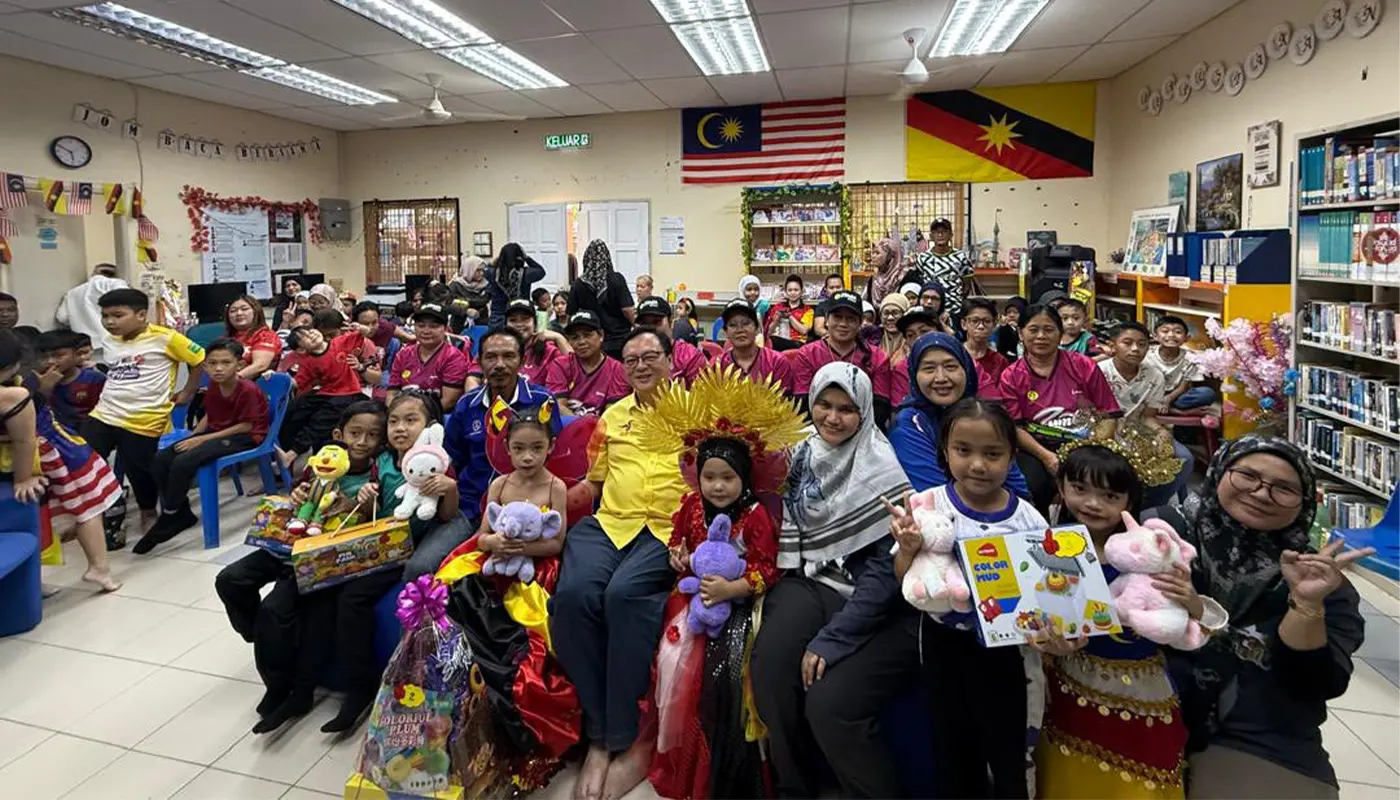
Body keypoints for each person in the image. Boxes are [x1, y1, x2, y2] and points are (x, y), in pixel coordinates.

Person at [1163, 437, 1371, 799]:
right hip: (1151, 713)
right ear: (1219, 473)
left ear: (1304, 503)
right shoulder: (1166, 544)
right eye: (1247, 476)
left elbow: (1316, 684)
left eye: (1284, 489)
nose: (1261, 494)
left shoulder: (1322, 583)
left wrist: (1306, 605)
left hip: (1259, 736)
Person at [750, 363, 917, 798]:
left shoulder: (881, 467)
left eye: (847, 408)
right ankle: (795, 787)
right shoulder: (798, 453)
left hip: (864, 595)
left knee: (826, 695)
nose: (832, 417)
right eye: (824, 404)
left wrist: (835, 638)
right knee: (770, 670)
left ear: (864, 412)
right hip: (806, 578)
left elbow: (884, 573)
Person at [641, 368, 803, 800]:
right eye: (709, 476)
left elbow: (769, 569)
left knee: (728, 675)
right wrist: (677, 555)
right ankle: (680, 758)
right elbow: (679, 540)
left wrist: (734, 590)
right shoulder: (691, 504)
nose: (717, 486)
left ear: (745, 478)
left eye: (727, 478)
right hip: (691, 597)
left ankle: (726, 769)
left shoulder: (756, 517)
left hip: (741, 605)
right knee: (672, 663)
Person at [1034, 441, 1226, 800]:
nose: (1093, 503)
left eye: (1109, 495)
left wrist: (1193, 603)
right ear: (1061, 488)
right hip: (1067, 686)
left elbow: (1198, 626)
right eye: (1079, 489)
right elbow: (1037, 621)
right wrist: (1046, 645)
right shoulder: (1046, 549)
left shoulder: (1151, 553)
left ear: (1129, 502)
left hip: (1143, 689)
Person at [550, 328, 686, 800]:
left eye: (651, 356)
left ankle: (623, 738)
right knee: (571, 597)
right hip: (610, 523)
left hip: (666, 529)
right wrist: (543, 503)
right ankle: (599, 735)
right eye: (630, 360)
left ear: (672, 359)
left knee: (623, 596)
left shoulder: (699, 412)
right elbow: (593, 483)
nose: (641, 366)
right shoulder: (613, 416)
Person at [890, 398, 1048, 799]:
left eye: (992, 454)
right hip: (945, 644)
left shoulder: (1028, 517)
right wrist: (907, 548)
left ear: (1012, 456)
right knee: (953, 744)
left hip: (1010, 653)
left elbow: (1050, 590)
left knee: (1008, 746)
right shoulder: (929, 506)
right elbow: (903, 577)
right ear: (945, 451)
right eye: (964, 451)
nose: (978, 465)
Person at [0, 329, 122, 591]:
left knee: (33, 515)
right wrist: (23, 477)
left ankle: (33, 580)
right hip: (52, 453)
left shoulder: (27, 383)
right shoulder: (16, 392)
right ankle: (99, 569)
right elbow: (25, 440)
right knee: (87, 507)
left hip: (31, 454)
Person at [84, 288, 204, 539]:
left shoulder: (167, 338)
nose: (110, 322)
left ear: (141, 315)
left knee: (138, 469)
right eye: (105, 316)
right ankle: (94, 513)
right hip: (105, 412)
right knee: (83, 459)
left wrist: (189, 392)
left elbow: (199, 359)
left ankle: (148, 512)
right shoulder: (110, 341)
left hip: (145, 416)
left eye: (117, 315)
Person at [141, 339, 269, 553]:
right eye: (212, 363)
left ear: (239, 365)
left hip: (245, 436)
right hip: (216, 434)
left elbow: (246, 425)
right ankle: (181, 512)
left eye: (226, 362)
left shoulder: (247, 389)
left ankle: (170, 515)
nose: (218, 368)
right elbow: (210, 416)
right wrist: (193, 436)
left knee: (185, 461)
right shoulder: (213, 386)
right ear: (206, 366)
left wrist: (202, 440)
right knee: (162, 459)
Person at [998, 304, 1120, 511]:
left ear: (1060, 333)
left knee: (1112, 479)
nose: (1041, 336)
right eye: (1033, 329)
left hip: (1084, 443)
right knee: (1033, 484)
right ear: (1020, 333)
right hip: (1036, 447)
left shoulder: (1083, 365)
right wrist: (1047, 457)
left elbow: (1109, 415)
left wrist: (1090, 449)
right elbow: (1015, 427)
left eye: (1049, 329)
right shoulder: (1011, 376)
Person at [890, 331, 1032, 496]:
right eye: (929, 369)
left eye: (950, 366)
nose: (941, 378)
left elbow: (1016, 485)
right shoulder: (909, 426)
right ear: (914, 375)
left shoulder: (980, 414)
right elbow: (934, 496)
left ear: (967, 369)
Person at [444, 327, 552, 530]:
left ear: (521, 361)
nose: (500, 365)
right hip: (470, 507)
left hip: (526, 511)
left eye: (509, 356)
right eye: (491, 357)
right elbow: (452, 459)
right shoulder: (466, 404)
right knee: (423, 563)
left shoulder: (542, 401)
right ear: (480, 361)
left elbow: (555, 460)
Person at [1098, 321, 1193, 506]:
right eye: (1127, 343)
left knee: (1185, 458)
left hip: (1137, 430)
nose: (1135, 349)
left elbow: (1148, 416)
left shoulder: (1154, 375)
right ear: (1112, 345)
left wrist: (1161, 431)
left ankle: (1148, 506)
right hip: (1104, 430)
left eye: (1142, 344)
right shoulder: (1099, 372)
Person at [278, 311, 372, 465]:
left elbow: (366, 333)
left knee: (322, 418)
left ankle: (293, 453)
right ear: (302, 349)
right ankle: (283, 451)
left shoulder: (339, 343)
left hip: (348, 392)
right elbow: (297, 382)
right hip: (326, 393)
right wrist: (274, 378)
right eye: (304, 339)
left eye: (309, 331)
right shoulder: (307, 361)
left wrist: (359, 327)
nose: (311, 336)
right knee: (297, 408)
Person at [789, 290, 893, 428]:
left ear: (860, 322)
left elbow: (880, 407)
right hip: (817, 430)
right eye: (837, 317)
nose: (843, 324)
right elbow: (802, 403)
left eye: (850, 319)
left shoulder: (878, 357)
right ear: (826, 319)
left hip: (864, 430)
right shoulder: (807, 354)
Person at [385, 303, 473, 409]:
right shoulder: (403, 354)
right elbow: (391, 394)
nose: (426, 331)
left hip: (438, 417)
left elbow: (448, 401)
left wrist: (418, 417)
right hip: (404, 413)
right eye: (421, 326)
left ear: (446, 329)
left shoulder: (454, 357)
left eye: (433, 326)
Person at [544, 311, 629, 415]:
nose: (581, 342)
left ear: (601, 335)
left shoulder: (617, 369)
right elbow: (557, 407)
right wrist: (583, 425)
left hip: (602, 428)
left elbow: (612, 413)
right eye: (575, 337)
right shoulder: (559, 365)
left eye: (587, 335)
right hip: (566, 427)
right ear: (569, 341)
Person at [570, 239, 636, 360]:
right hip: (619, 340)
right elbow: (628, 309)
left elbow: (571, 313)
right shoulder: (616, 279)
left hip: (592, 341)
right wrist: (638, 327)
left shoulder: (578, 284)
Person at [716, 298, 793, 394]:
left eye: (746, 323)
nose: (740, 330)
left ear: (757, 329)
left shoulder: (777, 362)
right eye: (733, 325)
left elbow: (784, 404)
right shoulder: (716, 365)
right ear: (726, 332)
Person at [34, 330, 105, 432]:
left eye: (58, 355)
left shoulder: (94, 379)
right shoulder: (35, 381)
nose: (50, 361)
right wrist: (44, 390)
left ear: (77, 355)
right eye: (44, 357)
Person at [54, 264, 126, 363]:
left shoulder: (72, 293)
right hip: (112, 341)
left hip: (85, 346)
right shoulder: (114, 283)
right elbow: (128, 301)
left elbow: (62, 318)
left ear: (93, 273)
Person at [1147, 316, 1216, 412]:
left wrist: (1169, 398)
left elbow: (1184, 386)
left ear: (1187, 338)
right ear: (1155, 336)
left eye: (1178, 332)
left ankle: (1166, 406)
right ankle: (1169, 409)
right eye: (1165, 331)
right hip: (1149, 393)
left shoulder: (1191, 357)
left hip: (1176, 396)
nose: (1171, 335)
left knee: (1208, 393)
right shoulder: (1147, 354)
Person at [912, 218, 974, 324]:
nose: (940, 235)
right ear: (931, 236)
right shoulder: (922, 258)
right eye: (936, 232)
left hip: (954, 311)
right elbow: (918, 284)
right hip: (930, 310)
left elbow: (966, 286)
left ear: (951, 235)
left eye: (944, 232)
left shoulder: (960, 256)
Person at [634, 297, 706, 386]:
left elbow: (702, 397)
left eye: (656, 322)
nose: (650, 328)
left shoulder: (690, 356)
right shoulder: (632, 357)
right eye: (644, 324)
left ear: (670, 321)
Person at [503, 298, 569, 387]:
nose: (519, 324)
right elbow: (477, 375)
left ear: (535, 323)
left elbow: (576, 371)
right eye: (513, 320)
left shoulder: (548, 351)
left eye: (525, 319)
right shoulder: (496, 347)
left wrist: (559, 338)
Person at [889, 305, 939, 405]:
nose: (918, 339)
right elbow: (900, 409)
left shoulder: (962, 361)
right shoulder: (901, 369)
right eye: (911, 335)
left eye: (924, 331)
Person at [223, 294, 282, 380]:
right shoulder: (225, 338)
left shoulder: (265, 335)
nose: (239, 313)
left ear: (256, 311)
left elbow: (260, 366)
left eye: (244, 309)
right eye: (233, 311)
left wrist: (231, 380)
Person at [489, 242, 547, 326]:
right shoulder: (526, 273)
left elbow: (485, 269)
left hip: (498, 317)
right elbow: (541, 271)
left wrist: (498, 259)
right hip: (520, 315)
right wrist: (527, 258)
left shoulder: (493, 273)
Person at [962, 297, 1008, 395]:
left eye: (987, 321)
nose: (981, 326)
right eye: (975, 321)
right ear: (964, 324)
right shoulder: (955, 355)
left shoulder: (1000, 362)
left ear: (994, 325)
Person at [763, 274, 814, 351]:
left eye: (796, 290)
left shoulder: (808, 310)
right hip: (778, 339)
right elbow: (768, 332)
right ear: (785, 292)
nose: (793, 293)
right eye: (790, 290)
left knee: (772, 341)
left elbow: (804, 331)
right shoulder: (777, 307)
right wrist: (777, 319)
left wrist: (790, 317)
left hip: (798, 343)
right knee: (768, 340)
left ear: (802, 291)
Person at [446, 255, 490, 330]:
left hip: (482, 323)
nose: (481, 273)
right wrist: (465, 311)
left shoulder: (486, 285)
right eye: (478, 270)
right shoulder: (456, 285)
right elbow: (447, 304)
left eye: (483, 270)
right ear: (470, 270)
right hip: (460, 324)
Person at [864, 240, 907, 311]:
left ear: (890, 256)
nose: (873, 256)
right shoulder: (874, 279)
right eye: (873, 253)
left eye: (877, 253)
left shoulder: (904, 277)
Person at [873, 293, 911, 362]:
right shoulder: (870, 341)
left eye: (895, 313)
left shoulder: (912, 342)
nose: (890, 318)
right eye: (886, 313)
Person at [810, 273, 848, 340]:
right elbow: (818, 329)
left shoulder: (849, 305)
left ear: (844, 288)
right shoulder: (821, 306)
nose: (835, 290)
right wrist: (833, 336)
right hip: (827, 340)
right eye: (831, 288)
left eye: (838, 287)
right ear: (826, 289)